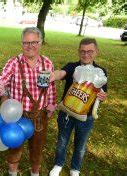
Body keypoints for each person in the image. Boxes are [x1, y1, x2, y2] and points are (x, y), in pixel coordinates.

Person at [0, 27, 57, 176]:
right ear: (22, 44)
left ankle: (35, 173)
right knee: (15, 148)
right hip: (18, 116)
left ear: (40, 43)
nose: (30, 46)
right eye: (26, 42)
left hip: (39, 116)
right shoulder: (14, 62)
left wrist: (51, 105)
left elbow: (51, 87)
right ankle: (12, 173)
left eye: (34, 42)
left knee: (37, 149)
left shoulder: (47, 63)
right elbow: (2, 79)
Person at [49, 38, 107, 176]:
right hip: (67, 114)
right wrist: (53, 75)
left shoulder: (101, 72)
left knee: (80, 145)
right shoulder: (72, 66)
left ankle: (75, 168)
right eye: (82, 51)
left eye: (90, 51)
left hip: (86, 117)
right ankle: (58, 164)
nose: (86, 54)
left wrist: (103, 97)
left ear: (96, 52)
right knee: (62, 141)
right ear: (78, 52)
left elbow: (103, 92)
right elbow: (61, 73)